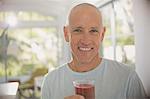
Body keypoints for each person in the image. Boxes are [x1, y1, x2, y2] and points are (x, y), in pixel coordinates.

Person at [41, 3, 146, 99]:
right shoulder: (50, 82)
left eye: (93, 31)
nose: (86, 41)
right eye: (78, 30)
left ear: (102, 34)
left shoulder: (128, 78)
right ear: (66, 34)